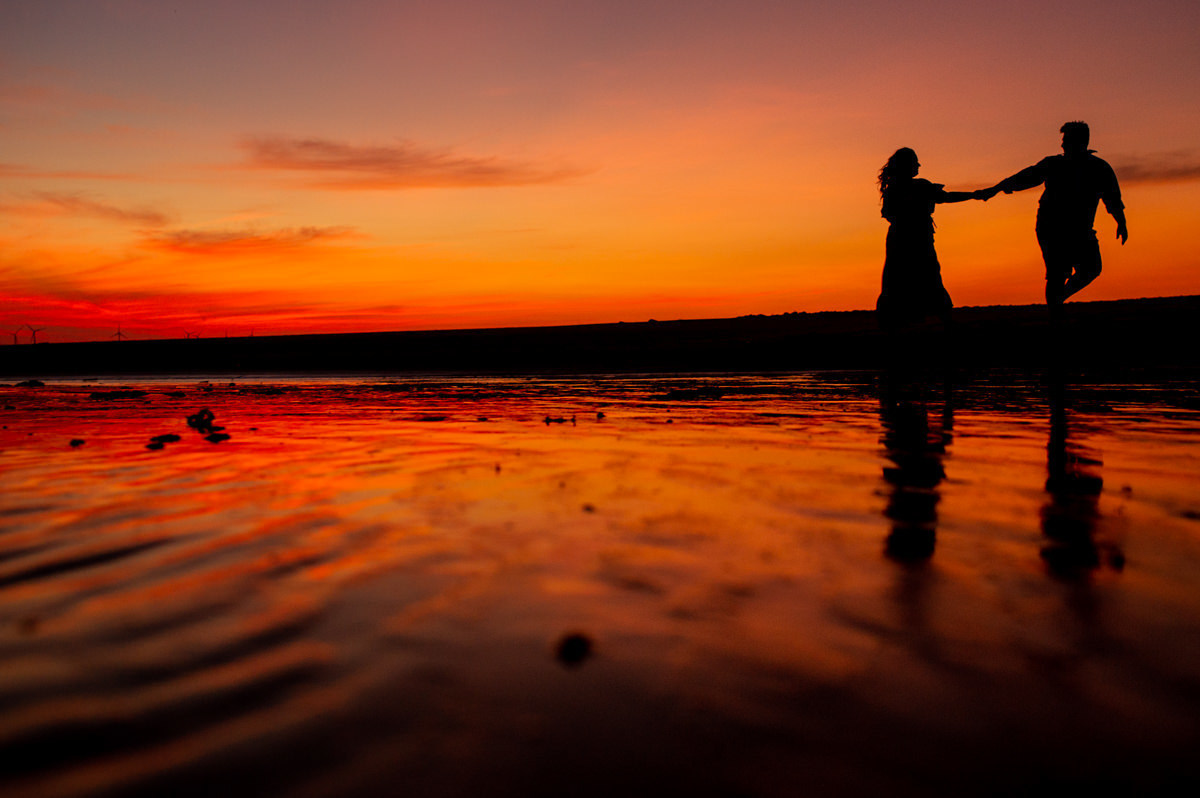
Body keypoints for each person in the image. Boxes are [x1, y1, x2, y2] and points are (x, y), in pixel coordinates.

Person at [982, 122, 1127, 316]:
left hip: (1080, 229)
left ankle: (1058, 301)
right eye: (1063, 141)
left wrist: (1121, 222)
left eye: (1066, 141)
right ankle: (1055, 315)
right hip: (1051, 227)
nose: (1062, 145)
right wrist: (997, 188)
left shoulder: (1099, 168)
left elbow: (1112, 197)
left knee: (1091, 268)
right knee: (1057, 274)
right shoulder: (1054, 164)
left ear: (1080, 142)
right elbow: (1026, 176)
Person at [876, 148, 990, 329]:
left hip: (905, 237)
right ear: (907, 166)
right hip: (912, 238)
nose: (919, 165)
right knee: (921, 275)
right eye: (915, 162)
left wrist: (974, 195)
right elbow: (945, 198)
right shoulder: (915, 187)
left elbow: (944, 198)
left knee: (905, 277)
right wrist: (975, 195)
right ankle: (939, 320)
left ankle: (909, 321)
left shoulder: (903, 188)